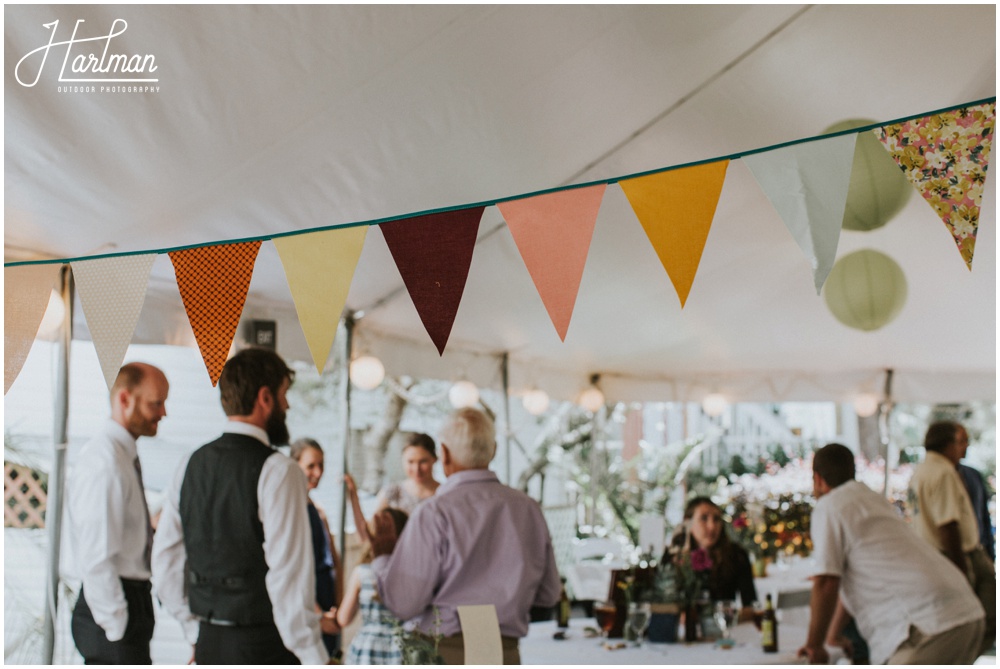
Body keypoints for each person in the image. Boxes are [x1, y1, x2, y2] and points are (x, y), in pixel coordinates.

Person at [151, 347, 332, 665]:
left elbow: (165, 562)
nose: (287, 405)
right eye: (284, 395)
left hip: (208, 643)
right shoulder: (279, 469)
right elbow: (288, 576)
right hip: (264, 644)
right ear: (265, 398)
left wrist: (194, 630)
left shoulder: (189, 464)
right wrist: (314, 656)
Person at [370, 408, 561, 664]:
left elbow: (404, 604)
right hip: (500, 651)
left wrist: (383, 559)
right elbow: (549, 594)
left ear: (444, 453)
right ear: (493, 450)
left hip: (444, 652)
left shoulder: (434, 512)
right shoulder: (528, 508)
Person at [799, 443, 985, 665]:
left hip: (926, 625)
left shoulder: (830, 506)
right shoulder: (871, 500)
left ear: (818, 479)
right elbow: (847, 582)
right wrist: (833, 635)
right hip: (964, 612)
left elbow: (827, 582)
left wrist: (814, 645)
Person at [68, 363, 169, 664]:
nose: (164, 413)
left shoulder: (122, 455)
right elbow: (96, 557)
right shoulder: (105, 463)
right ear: (125, 399)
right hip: (111, 614)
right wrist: (117, 626)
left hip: (130, 603)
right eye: (156, 403)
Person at [908, 421, 995, 653]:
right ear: (948, 444)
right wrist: (962, 569)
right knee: (981, 618)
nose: (965, 447)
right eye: (961, 441)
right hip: (957, 553)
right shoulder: (942, 472)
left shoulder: (921, 471)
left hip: (938, 554)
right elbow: (947, 524)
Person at [337, 474, 408, 665]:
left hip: (366, 650)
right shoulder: (411, 574)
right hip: (402, 649)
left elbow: (343, 619)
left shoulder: (362, 574)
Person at [291, 438, 344, 656]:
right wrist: (318, 615)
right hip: (308, 606)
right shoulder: (292, 509)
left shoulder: (318, 510)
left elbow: (334, 560)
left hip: (327, 599)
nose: (318, 472)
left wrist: (339, 607)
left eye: (321, 465)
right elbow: (292, 569)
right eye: (311, 466)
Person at [667, 497, 757, 621]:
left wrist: (724, 617)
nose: (712, 526)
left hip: (727, 630)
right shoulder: (676, 558)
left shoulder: (736, 555)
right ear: (688, 522)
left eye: (716, 519)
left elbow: (751, 606)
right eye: (704, 518)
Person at [375, 432, 441, 515]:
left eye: (423, 461)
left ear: (434, 459)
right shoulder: (392, 494)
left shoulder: (447, 494)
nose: (416, 469)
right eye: (411, 462)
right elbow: (374, 526)